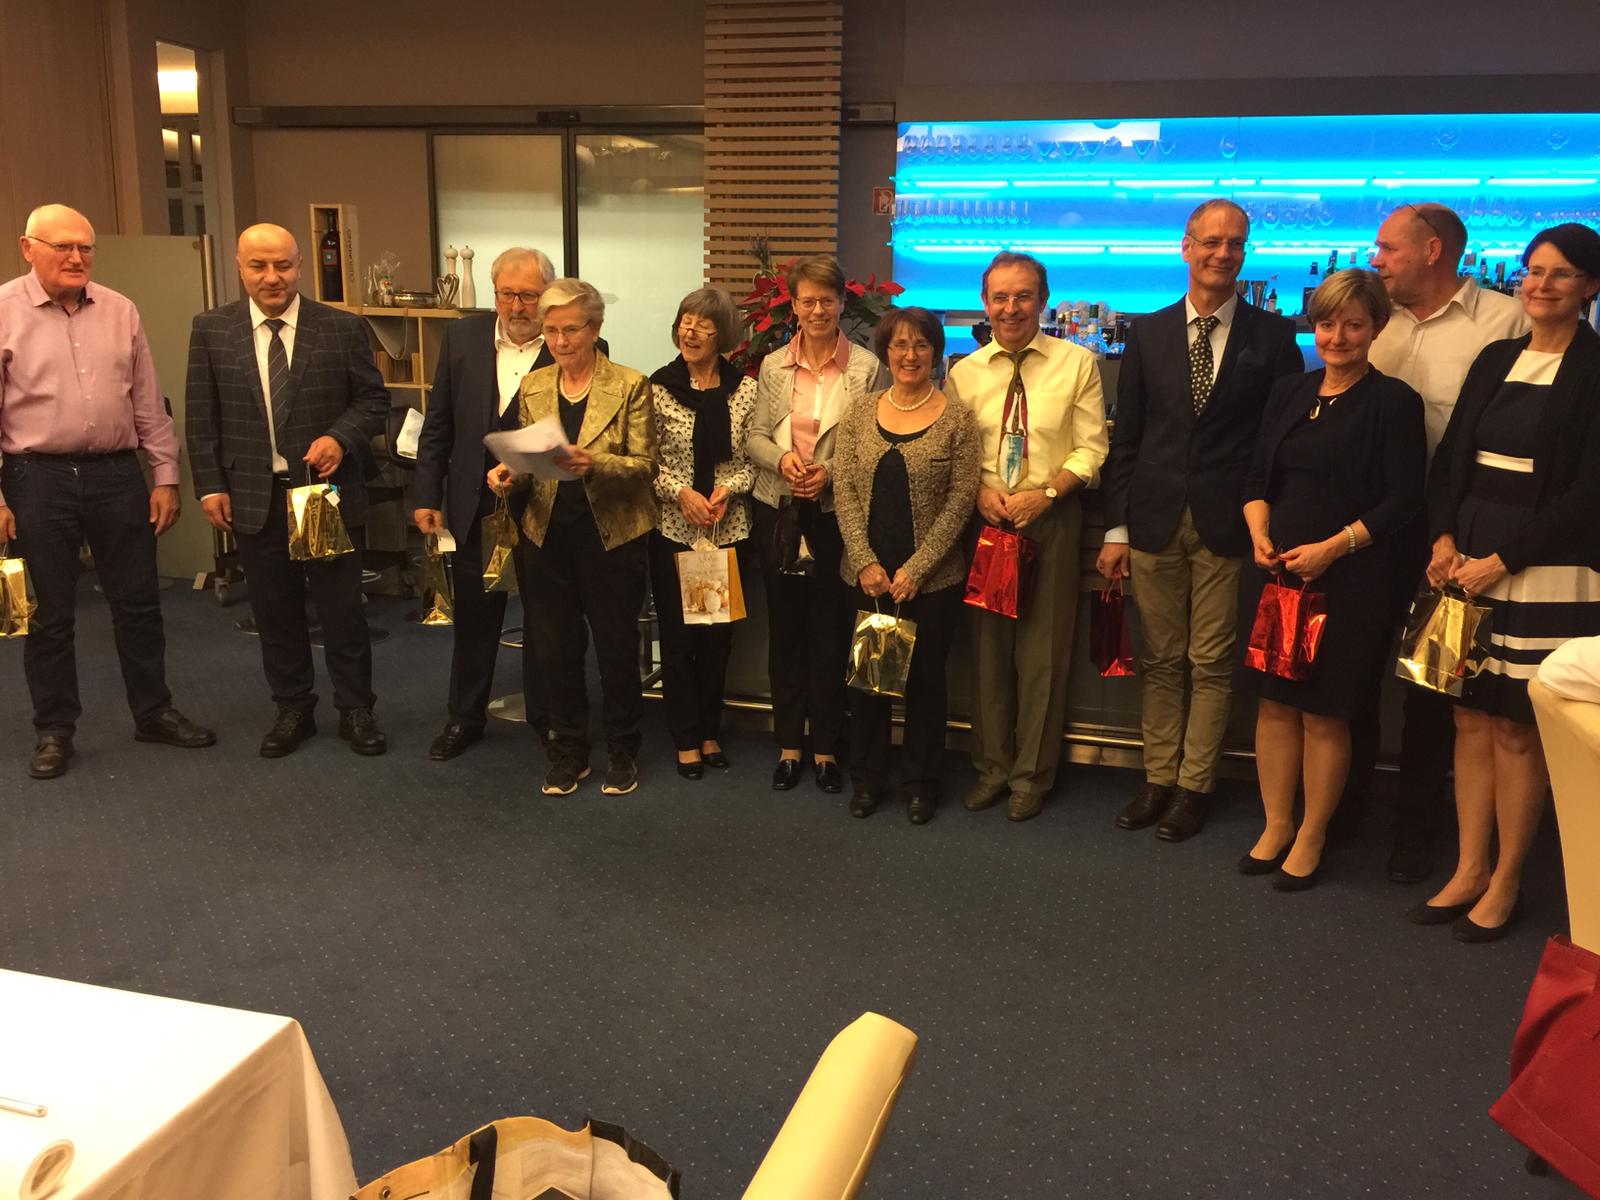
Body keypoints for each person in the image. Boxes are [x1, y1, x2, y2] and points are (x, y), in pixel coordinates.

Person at [1416, 223, 1600, 941]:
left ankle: (1507, 880)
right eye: (1533, 271)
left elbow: (1589, 492)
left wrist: (1504, 557)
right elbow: (1452, 457)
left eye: (1560, 273)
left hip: (1547, 566)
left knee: (1516, 728)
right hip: (1465, 557)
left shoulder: (1595, 369)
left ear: (1589, 287)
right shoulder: (1496, 357)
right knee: (1467, 716)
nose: (1540, 285)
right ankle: (1469, 867)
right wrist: (1443, 536)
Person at [1098, 199, 1302, 842]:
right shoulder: (1149, 332)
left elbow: (1278, 442)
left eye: (1235, 243)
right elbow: (1127, 438)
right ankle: (1157, 778)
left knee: (1211, 661)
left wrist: (1266, 520)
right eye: (1211, 241)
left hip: (1228, 523)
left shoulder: (1273, 338)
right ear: (1186, 247)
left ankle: (1194, 787)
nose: (1223, 253)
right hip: (1153, 519)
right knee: (1160, 659)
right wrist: (1116, 528)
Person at [0, 203, 214, 779]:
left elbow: (148, 402)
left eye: (85, 248)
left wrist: (165, 476)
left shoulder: (120, 310)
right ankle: (54, 730)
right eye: (63, 247)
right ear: (28, 248)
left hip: (116, 474)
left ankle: (154, 712)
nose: (77, 258)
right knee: (51, 613)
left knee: (139, 603)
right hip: (36, 477)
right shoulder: (3, 311)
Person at [1351, 203, 1531, 884]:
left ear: (1432, 251)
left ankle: (1416, 832)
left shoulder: (1505, 322)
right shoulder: (1376, 322)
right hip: (1372, 529)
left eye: (1387, 248)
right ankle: (1346, 809)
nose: (1376, 260)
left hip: (1449, 538)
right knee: (1357, 671)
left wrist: (1454, 533)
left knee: (1434, 688)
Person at [1237, 269, 1426, 890]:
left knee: (1324, 712)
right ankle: (1277, 824)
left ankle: (1314, 834)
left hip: (1350, 579)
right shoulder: (1289, 391)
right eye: (1326, 324)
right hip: (1278, 574)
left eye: (1352, 324)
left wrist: (1333, 547)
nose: (1337, 337)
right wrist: (1258, 532)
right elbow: (1258, 479)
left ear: (1377, 327)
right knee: (1274, 705)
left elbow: (1404, 500)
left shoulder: (1394, 402)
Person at [186, 223, 391, 757]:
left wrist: (340, 438)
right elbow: (202, 418)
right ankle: (293, 708)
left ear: (299, 266)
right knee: (275, 612)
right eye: (259, 266)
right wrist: (209, 487)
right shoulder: (212, 329)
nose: (272, 277)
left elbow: (373, 401)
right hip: (255, 493)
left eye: (282, 265)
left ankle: (356, 709)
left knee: (341, 611)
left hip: (322, 494)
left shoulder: (341, 327)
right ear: (240, 267)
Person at [945, 251, 1108, 822]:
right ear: (985, 302)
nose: (1011, 308)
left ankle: (1031, 776)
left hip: (1051, 518)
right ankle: (991, 768)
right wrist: (976, 492)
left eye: (1023, 296)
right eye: (1000, 297)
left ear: (1043, 300)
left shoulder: (1077, 364)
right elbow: (954, 452)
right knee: (988, 654)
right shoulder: (964, 373)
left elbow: (1092, 448)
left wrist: (1050, 493)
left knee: (1042, 656)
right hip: (988, 523)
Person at [488, 278, 657, 797]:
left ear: (596, 328)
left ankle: (623, 749)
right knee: (555, 651)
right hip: (547, 536)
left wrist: (595, 462)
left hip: (612, 537)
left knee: (616, 648)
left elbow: (646, 466)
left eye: (572, 330)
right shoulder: (535, 386)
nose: (560, 341)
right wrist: (508, 476)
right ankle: (568, 750)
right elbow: (527, 463)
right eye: (552, 330)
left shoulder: (630, 384)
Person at [413, 246, 571, 761]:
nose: (518, 306)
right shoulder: (462, 337)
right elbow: (438, 423)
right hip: (472, 505)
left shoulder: (568, 343)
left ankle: (549, 720)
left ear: (547, 296)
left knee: (545, 620)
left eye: (529, 295)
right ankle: (464, 718)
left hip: (543, 505)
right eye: (507, 294)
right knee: (476, 620)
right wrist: (427, 494)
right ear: (495, 293)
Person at [745, 255, 889, 795]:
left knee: (830, 632)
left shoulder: (865, 368)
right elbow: (755, 436)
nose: (818, 310)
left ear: (842, 303)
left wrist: (828, 472)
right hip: (779, 509)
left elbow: (871, 441)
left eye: (827, 300)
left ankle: (826, 747)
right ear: (795, 306)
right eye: (807, 301)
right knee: (785, 632)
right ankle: (789, 745)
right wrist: (782, 460)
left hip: (835, 513)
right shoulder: (774, 365)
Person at [833, 307, 980, 823]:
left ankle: (921, 782)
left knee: (924, 684)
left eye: (921, 345)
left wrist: (918, 568)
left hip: (932, 580)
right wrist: (865, 561)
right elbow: (844, 490)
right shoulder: (859, 412)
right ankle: (868, 777)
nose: (910, 355)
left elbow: (962, 499)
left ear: (935, 352)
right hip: (868, 576)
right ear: (886, 352)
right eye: (899, 344)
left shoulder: (958, 419)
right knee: (870, 682)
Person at [647, 287, 757, 779]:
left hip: (726, 530)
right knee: (678, 638)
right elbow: (646, 460)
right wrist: (681, 493)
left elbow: (752, 459)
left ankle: (710, 730)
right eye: (684, 322)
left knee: (717, 638)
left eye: (701, 325)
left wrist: (728, 489)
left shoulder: (745, 390)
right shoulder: (658, 388)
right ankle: (685, 736)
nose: (689, 332)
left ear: (723, 334)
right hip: (674, 529)